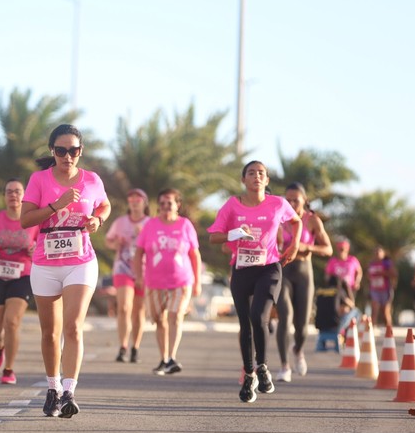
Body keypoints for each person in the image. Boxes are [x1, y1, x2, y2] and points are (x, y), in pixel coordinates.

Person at [20, 123, 111, 418]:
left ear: (81, 151)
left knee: (72, 327)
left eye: (73, 150)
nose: (67, 156)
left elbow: (105, 205)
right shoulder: (39, 180)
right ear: (52, 151)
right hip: (46, 263)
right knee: (50, 333)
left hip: (80, 260)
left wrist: (98, 219)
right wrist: (55, 205)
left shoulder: (92, 179)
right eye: (61, 151)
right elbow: (25, 220)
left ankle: (69, 391)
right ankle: (53, 388)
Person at [207, 161, 301, 403]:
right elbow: (213, 237)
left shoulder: (278, 203)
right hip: (241, 269)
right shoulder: (232, 205)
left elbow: (296, 221)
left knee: (259, 316)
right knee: (245, 324)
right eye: (251, 173)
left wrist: (294, 245)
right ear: (243, 179)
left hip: (269, 267)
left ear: (266, 180)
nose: (257, 176)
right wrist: (235, 233)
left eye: (261, 173)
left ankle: (262, 367)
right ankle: (249, 374)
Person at [134, 188, 201, 375]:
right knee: (159, 320)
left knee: (175, 315)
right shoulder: (150, 225)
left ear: (177, 205)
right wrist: (138, 276)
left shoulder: (185, 225)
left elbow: (194, 254)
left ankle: (172, 357)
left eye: (169, 203)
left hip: (181, 281)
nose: (165, 206)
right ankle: (164, 359)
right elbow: (138, 253)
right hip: (154, 282)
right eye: (162, 203)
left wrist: (197, 282)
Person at [0, 178, 39, 385]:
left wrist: (36, 249)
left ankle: (9, 369)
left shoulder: (33, 220)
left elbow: (43, 243)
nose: (13, 195)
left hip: (23, 274)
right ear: (4, 196)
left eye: (17, 191)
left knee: (12, 321)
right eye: (9, 191)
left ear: (24, 196)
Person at [275, 182, 333, 382]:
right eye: (288, 200)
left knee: (302, 326)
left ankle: (298, 349)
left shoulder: (312, 220)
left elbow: (328, 249)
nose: (291, 203)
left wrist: (307, 247)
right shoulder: (278, 219)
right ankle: (284, 366)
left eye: (296, 200)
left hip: (304, 273)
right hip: (283, 271)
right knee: (285, 317)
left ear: (305, 201)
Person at [105, 188, 150, 363]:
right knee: (124, 307)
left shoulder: (150, 223)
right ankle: (123, 346)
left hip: (144, 270)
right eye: (131, 199)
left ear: (144, 203)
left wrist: (143, 237)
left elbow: (155, 246)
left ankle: (135, 347)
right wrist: (115, 244)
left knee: (139, 311)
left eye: (138, 199)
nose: (134, 202)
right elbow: (108, 240)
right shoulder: (120, 222)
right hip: (122, 267)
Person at [367, 245, 398, 328]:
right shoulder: (371, 264)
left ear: (383, 254)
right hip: (374, 289)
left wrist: (382, 273)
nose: (377, 254)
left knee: (385, 311)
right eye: (375, 252)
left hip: (385, 290)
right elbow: (368, 275)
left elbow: (394, 274)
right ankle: (372, 329)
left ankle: (389, 330)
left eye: (379, 252)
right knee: (374, 310)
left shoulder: (387, 263)